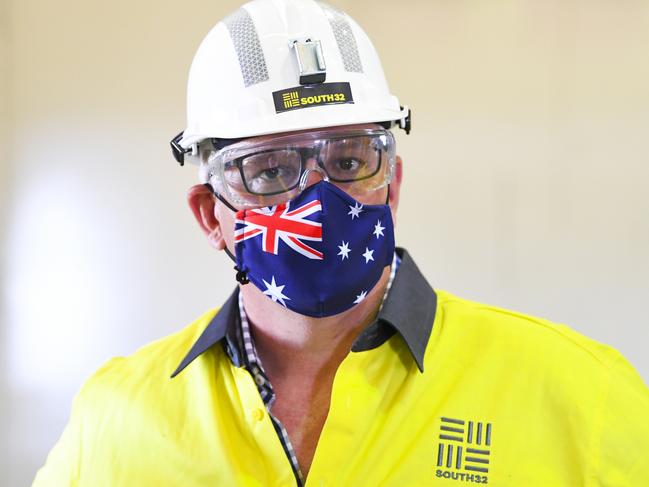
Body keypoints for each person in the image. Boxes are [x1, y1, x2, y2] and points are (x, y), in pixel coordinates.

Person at [33, 0, 649, 485]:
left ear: (394, 183)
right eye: (270, 170)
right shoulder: (115, 423)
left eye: (350, 158)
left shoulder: (580, 399)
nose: (319, 197)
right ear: (210, 216)